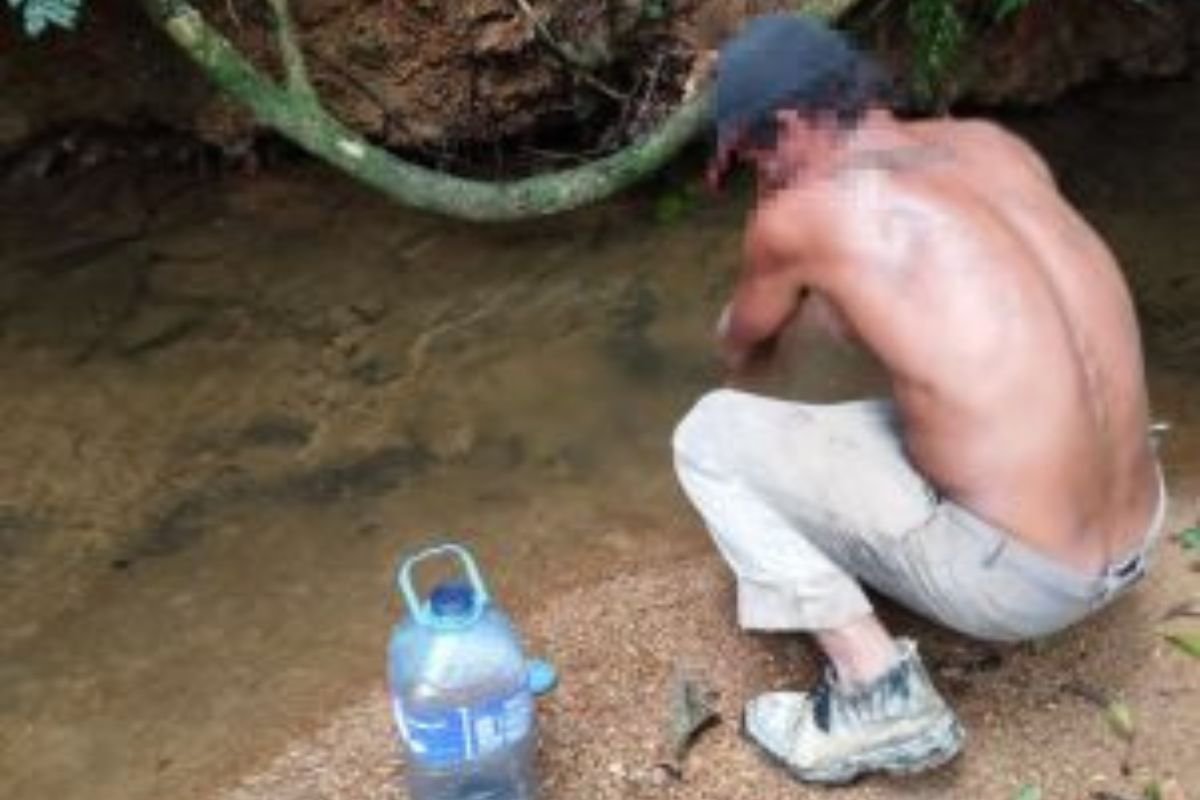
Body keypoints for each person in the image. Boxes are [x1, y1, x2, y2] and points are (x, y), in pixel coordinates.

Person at [671, 14, 1166, 785]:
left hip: (1023, 587)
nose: (754, 168)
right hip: (1140, 530)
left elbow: (742, 347)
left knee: (708, 437)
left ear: (794, 125)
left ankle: (877, 695)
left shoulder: (801, 214)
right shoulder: (993, 147)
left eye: (754, 150)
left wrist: (772, 229)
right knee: (947, 402)